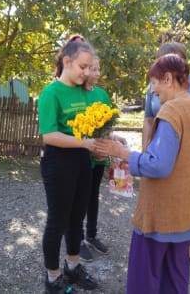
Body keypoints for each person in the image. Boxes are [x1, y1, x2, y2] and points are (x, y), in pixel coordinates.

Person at [95, 54, 190, 294]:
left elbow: (159, 166)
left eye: (154, 83)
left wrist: (124, 153)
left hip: (161, 215)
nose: (152, 91)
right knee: (176, 277)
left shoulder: (172, 111)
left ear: (168, 78)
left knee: (145, 279)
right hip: (187, 213)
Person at [38, 38, 99, 294]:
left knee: (77, 218)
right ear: (67, 62)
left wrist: (106, 138)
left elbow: (91, 125)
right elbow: (49, 135)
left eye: (89, 68)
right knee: (58, 220)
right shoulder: (50, 93)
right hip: (58, 162)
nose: (86, 72)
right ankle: (53, 279)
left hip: (82, 160)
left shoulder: (83, 91)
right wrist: (85, 142)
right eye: (82, 67)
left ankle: (73, 267)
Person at [142, 41, 190, 265]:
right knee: (163, 193)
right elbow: (148, 119)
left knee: (184, 193)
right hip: (160, 143)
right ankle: (167, 243)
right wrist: (144, 152)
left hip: (184, 148)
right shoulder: (152, 87)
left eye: (177, 58)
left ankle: (187, 241)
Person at [79, 55, 111, 262]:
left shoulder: (102, 95)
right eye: (93, 69)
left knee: (93, 196)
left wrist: (107, 143)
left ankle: (91, 235)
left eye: (99, 69)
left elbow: (108, 125)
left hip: (99, 156)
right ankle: (77, 239)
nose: (98, 74)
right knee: (79, 199)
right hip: (81, 156)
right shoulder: (75, 95)